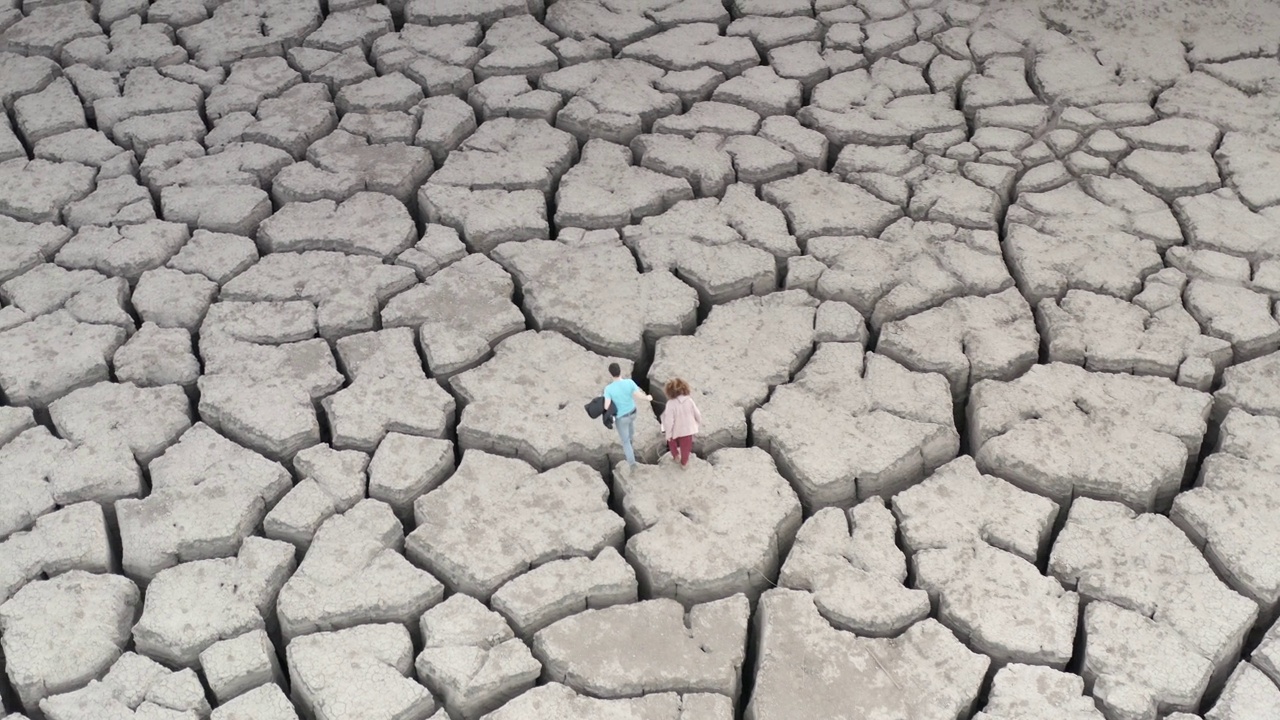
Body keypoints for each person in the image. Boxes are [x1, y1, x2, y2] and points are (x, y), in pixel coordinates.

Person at [602, 363, 651, 468]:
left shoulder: (608, 389)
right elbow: (638, 395)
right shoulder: (629, 382)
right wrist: (647, 398)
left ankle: (632, 465)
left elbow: (606, 406)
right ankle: (631, 440)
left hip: (621, 418)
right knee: (630, 427)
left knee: (625, 442)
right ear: (620, 371)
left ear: (611, 374)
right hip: (633, 413)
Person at [660, 377, 701, 468]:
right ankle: (684, 463)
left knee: (672, 442)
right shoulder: (689, 400)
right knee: (686, 448)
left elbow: (669, 420)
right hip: (687, 430)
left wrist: (668, 433)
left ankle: (676, 456)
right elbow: (697, 413)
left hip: (676, 429)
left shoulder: (670, 404)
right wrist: (697, 423)